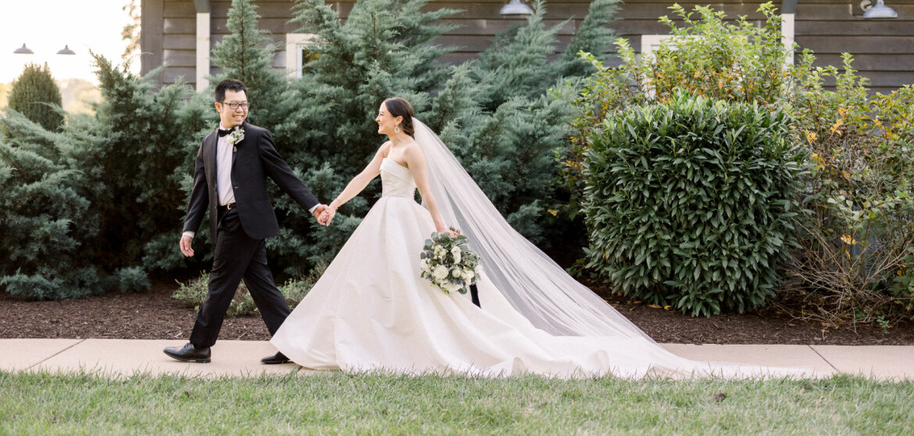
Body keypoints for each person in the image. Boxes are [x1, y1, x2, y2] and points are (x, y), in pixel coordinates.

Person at [270, 97, 805, 379]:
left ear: (398, 121)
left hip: (406, 221)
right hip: (377, 223)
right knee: (368, 286)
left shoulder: (412, 150)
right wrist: (333, 207)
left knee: (413, 291)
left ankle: (404, 344)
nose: (376, 120)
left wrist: (442, 233)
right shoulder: (385, 150)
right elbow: (364, 179)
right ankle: (359, 341)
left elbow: (431, 197)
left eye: (382, 115)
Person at [164, 79, 328, 365]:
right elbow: (200, 191)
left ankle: (199, 345)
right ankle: (292, 344)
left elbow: (283, 173)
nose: (240, 109)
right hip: (226, 217)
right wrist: (189, 228)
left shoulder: (257, 136)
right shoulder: (207, 144)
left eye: (244, 104)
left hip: (244, 218)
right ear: (219, 106)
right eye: (234, 104)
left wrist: (313, 206)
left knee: (219, 282)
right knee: (262, 285)